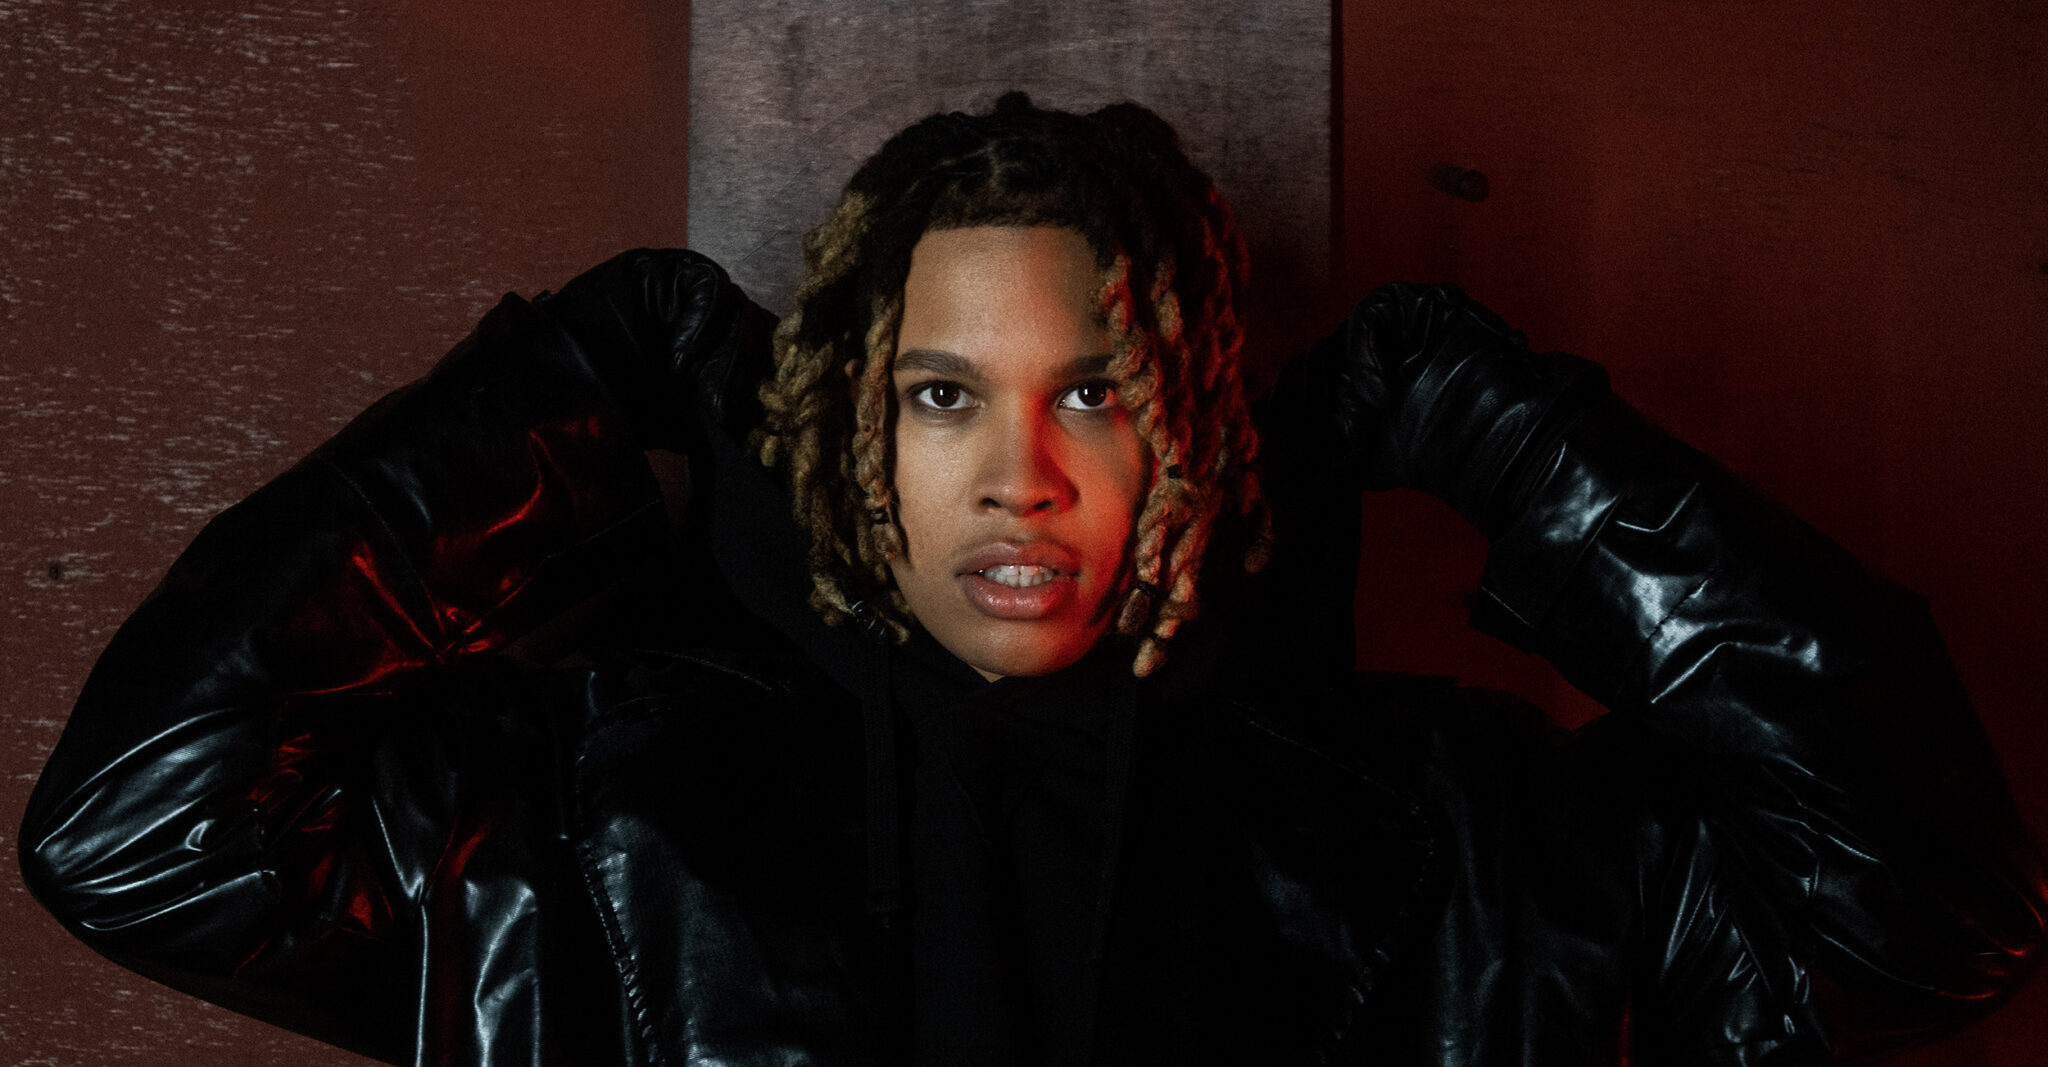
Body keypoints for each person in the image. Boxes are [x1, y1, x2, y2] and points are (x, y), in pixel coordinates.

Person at [18, 93, 2046, 1066]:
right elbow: (137, 832)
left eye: (1098, 388)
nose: (1022, 472)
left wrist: (1499, 431)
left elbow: (1924, 910)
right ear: (854, 434)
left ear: (1192, 430)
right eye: (940, 395)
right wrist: (572, 378)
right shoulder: (584, 832)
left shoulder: (1456, 841)